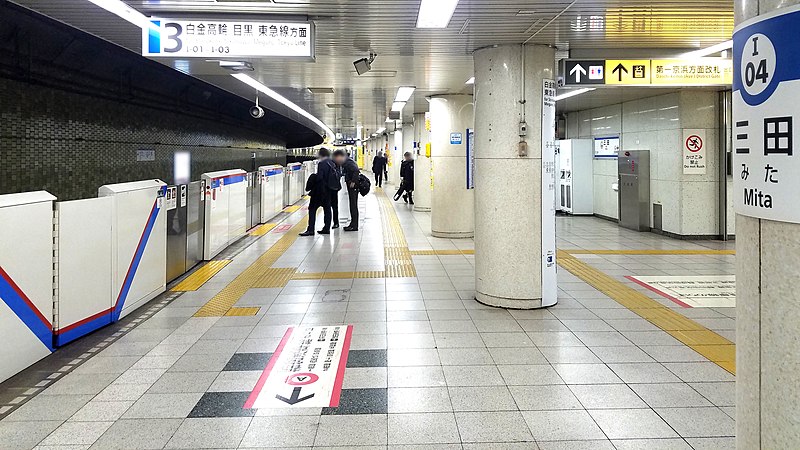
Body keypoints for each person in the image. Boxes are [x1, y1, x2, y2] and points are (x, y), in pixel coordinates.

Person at [300, 148, 340, 236]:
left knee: (312, 209)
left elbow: (320, 178)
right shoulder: (331, 163)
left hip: (320, 191)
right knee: (327, 209)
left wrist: (313, 179)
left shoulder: (322, 163)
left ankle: (310, 229)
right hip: (329, 191)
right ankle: (326, 228)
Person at [333, 149, 361, 231]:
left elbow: (356, 170)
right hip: (351, 185)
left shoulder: (348, 162)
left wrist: (353, 181)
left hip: (353, 186)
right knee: (352, 205)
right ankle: (353, 223)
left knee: (353, 205)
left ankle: (354, 226)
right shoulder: (347, 161)